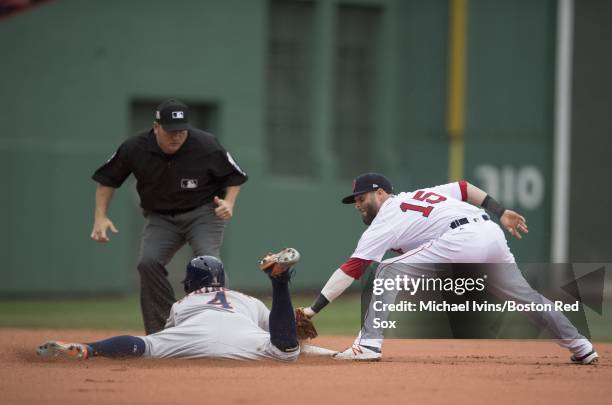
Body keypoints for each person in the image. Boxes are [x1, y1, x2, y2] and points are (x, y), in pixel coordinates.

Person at [301, 173, 599, 364]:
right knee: (526, 298)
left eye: (362, 197)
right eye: (354, 200)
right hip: (489, 231)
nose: (357, 204)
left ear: (381, 193)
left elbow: (353, 268)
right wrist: (500, 211)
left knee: (387, 271)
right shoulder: (421, 195)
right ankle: (581, 346)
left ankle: (368, 345)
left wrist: (312, 311)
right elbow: (464, 187)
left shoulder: (386, 218)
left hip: (463, 239)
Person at [90, 99, 248, 334]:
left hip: (203, 212)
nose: (176, 136)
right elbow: (107, 180)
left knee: (209, 264)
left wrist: (229, 202)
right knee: (148, 263)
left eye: (182, 130)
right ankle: (163, 331)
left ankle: (223, 328)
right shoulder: (135, 147)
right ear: (156, 127)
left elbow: (234, 177)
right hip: (161, 218)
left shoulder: (205, 144)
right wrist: (100, 217)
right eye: (170, 130)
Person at [37, 249, 335, 362]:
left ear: (190, 284)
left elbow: (167, 334)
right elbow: (281, 331)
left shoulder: (182, 304)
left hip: (192, 336)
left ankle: (90, 348)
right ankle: (280, 283)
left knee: (148, 345)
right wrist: (303, 340)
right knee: (285, 350)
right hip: (244, 340)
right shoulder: (247, 300)